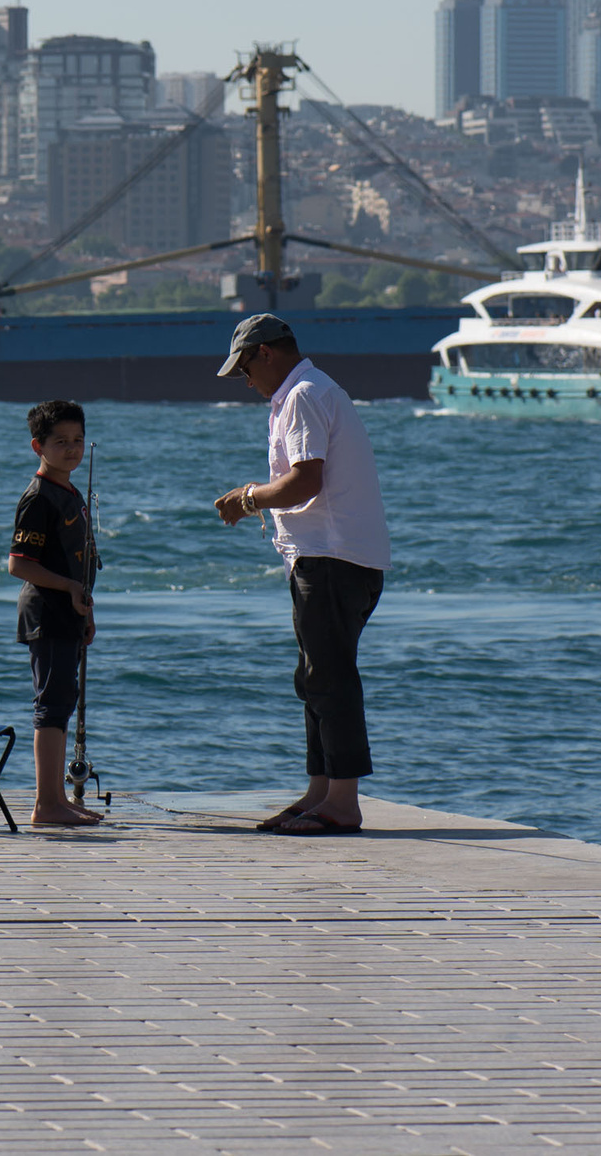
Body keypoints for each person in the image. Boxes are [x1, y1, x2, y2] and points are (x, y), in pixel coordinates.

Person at [210, 314, 391, 835]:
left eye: (245, 368)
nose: (246, 382)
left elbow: (304, 481)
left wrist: (247, 499)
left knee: (330, 679)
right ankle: (321, 791)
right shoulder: (309, 392)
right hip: (333, 558)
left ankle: (342, 802)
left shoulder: (303, 395)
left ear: (266, 353)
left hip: (332, 558)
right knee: (315, 677)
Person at [7, 398, 105, 826]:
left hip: (69, 611)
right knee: (50, 704)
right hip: (46, 611)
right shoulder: (38, 498)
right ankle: (46, 805)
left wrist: (85, 610)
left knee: (64, 701)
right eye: (60, 441)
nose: (71, 449)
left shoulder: (70, 492)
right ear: (37, 446)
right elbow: (19, 564)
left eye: (78, 440)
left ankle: (59, 798)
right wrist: (67, 587)